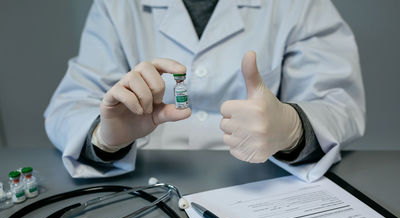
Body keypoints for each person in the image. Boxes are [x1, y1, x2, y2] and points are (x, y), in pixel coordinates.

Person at [44, 0, 365, 182]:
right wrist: (104, 137)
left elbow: (339, 103)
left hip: (263, 181)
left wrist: (294, 127)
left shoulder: (300, 5)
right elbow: (69, 104)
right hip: (147, 180)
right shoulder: (117, 6)